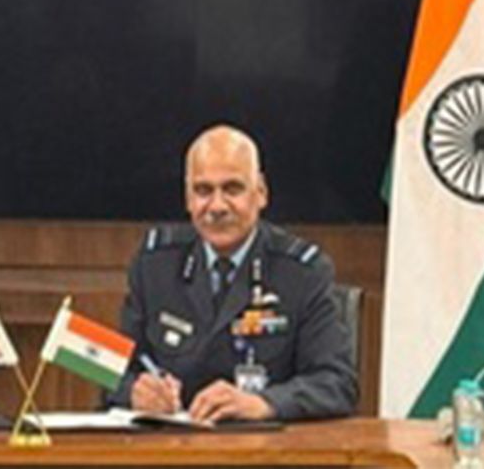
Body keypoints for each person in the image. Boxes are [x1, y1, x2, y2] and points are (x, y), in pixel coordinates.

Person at [109, 125, 357, 421]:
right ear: (187, 199)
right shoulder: (154, 265)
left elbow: (336, 382)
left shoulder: (303, 273)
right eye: (203, 191)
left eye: (232, 189)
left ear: (261, 193)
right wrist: (135, 392)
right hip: (174, 443)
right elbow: (112, 373)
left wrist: (264, 404)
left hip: (264, 446)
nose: (216, 206)